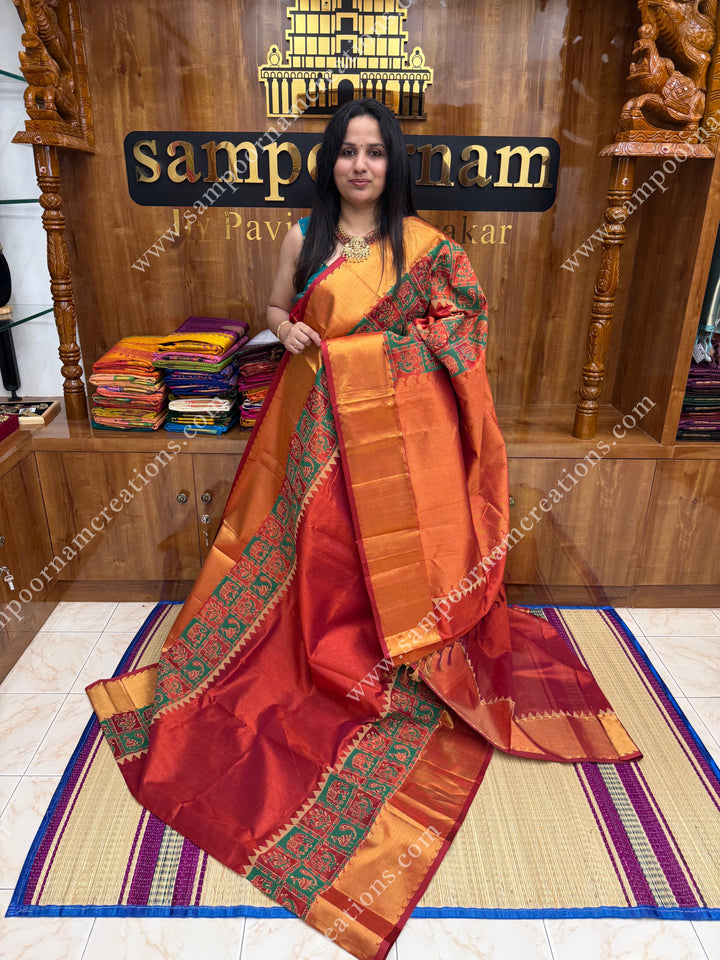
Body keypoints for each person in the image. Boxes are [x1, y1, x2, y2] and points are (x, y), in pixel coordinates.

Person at [87, 98, 640, 960]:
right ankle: (308, 656)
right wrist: (291, 327)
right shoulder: (299, 240)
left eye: (374, 153)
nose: (358, 165)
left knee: (386, 562)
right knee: (308, 567)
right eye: (346, 152)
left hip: (395, 448)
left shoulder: (425, 249)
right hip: (313, 435)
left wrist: (371, 356)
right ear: (329, 163)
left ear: (394, 164)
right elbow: (271, 314)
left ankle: (385, 655)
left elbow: (463, 334)